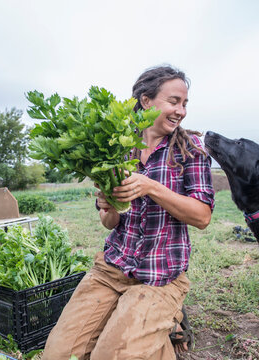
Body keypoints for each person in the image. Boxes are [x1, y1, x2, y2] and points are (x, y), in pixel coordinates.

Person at [42, 65, 215, 360]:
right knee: (57, 355)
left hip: (160, 277)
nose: (181, 111)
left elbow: (202, 217)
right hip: (112, 269)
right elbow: (109, 223)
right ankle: (151, 328)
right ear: (146, 101)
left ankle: (165, 324)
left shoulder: (190, 149)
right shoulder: (117, 148)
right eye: (174, 101)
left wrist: (150, 186)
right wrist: (108, 206)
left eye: (185, 103)